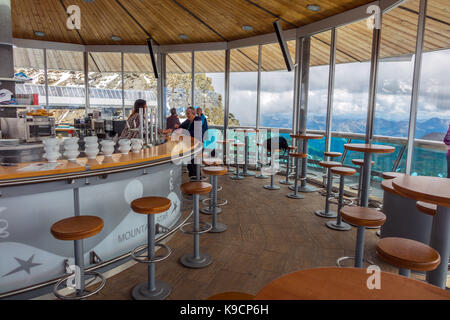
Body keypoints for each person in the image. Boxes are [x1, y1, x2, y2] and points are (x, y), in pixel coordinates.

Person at [178, 107, 203, 178]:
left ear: (193, 113)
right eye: (186, 113)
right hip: (190, 145)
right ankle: (193, 179)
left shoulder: (198, 120)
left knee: (194, 164)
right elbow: (180, 127)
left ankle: (198, 180)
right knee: (190, 165)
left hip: (197, 146)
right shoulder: (188, 121)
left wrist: (183, 132)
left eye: (188, 113)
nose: (187, 115)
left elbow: (195, 133)